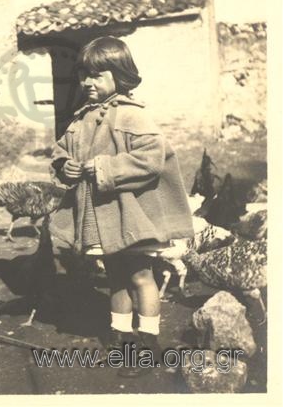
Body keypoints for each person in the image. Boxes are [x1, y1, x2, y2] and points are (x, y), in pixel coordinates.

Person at [50, 36, 194, 376]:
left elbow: (152, 160)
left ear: (120, 75)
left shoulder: (133, 116)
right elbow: (61, 150)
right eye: (84, 75)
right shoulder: (81, 118)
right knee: (115, 276)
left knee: (141, 275)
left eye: (97, 75)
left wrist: (104, 168)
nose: (87, 83)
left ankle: (148, 344)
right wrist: (64, 166)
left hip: (131, 216)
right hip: (102, 218)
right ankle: (123, 339)